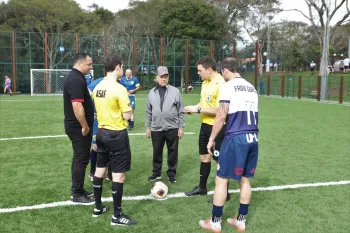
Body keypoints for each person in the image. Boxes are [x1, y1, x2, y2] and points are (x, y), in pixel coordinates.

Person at [199, 57, 259, 233]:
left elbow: (221, 116)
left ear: (225, 70)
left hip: (235, 138)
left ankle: (215, 222)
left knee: (221, 179)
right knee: (244, 179)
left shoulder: (227, 87)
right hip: (253, 137)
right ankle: (241, 221)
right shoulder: (251, 87)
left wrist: (211, 139)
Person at [91, 55, 138, 226]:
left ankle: (98, 207)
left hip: (102, 133)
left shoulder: (98, 87)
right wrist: (130, 111)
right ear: (118, 67)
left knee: (100, 170)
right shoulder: (119, 89)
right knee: (119, 174)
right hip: (117, 134)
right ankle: (117, 216)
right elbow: (127, 115)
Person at [183, 56, 229, 203]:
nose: (198, 73)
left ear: (209, 69)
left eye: (200, 70)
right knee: (204, 157)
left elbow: (220, 110)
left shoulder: (221, 84)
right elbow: (204, 103)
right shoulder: (206, 82)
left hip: (218, 128)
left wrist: (198, 110)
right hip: (205, 126)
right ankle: (202, 188)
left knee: (219, 160)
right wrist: (196, 108)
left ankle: (224, 193)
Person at [63, 53, 94, 203]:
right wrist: (84, 126)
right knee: (81, 159)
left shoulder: (77, 77)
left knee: (79, 158)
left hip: (76, 126)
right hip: (78, 127)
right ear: (80, 63)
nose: (91, 67)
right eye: (89, 64)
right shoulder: (75, 80)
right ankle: (77, 194)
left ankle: (79, 189)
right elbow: (76, 105)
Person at [145, 66, 185, 183]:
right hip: (156, 128)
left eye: (166, 77)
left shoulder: (175, 91)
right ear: (157, 78)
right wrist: (148, 127)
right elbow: (148, 111)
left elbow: (180, 110)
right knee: (157, 151)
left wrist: (181, 127)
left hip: (172, 127)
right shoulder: (152, 92)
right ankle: (156, 173)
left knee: (173, 151)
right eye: (161, 77)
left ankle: (171, 173)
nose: (164, 79)